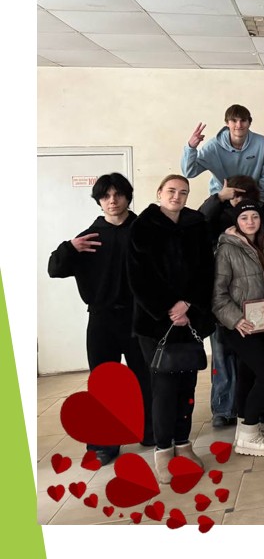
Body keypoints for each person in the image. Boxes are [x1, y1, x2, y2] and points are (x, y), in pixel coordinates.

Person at [47, 172, 153, 465]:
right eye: (106, 196)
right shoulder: (88, 237)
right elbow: (54, 269)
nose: (112, 200)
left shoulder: (145, 231)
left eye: (118, 194)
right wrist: (69, 248)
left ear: (128, 197)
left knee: (145, 376)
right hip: (102, 319)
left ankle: (150, 430)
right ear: (99, 201)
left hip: (140, 317)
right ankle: (105, 443)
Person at [127, 175, 215, 483]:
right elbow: (138, 276)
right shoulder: (143, 226)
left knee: (187, 387)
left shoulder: (196, 224)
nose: (177, 196)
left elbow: (207, 270)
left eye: (183, 192)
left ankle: (183, 443)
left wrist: (188, 304)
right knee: (164, 388)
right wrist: (169, 308)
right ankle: (163, 450)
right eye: (171, 191)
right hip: (155, 324)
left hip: (189, 319)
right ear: (159, 193)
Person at [212, 201, 264, 456]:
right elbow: (218, 295)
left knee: (248, 375)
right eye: (244, 218)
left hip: (261, 323)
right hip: (240, 326)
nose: (250, 222)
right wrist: (235, 320)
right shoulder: (227, 249)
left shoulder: (263, 246)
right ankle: (251, 428)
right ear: (237, 222)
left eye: (254, 216)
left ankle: (244, 432)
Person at [198, 174, 261, 429]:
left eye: (242, 196)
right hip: (222, 303)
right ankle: (223, 408)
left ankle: (250, 406)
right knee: (222, 358)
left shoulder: (256, 219)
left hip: (253, 305)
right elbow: (198, 219)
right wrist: (218, 198)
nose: (237, 200)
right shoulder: (216, 217)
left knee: (251, 361)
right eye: (233, 195)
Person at [181, 104, 264, 199]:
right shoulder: (213, 146)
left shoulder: (263, 143)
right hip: (222, 198)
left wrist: (260, 202)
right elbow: (189, 172)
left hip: (251, 198)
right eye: (234, 120)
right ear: (227, 123)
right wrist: (190, 148)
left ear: (249, 122)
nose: (239, 125)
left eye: (243, 120)